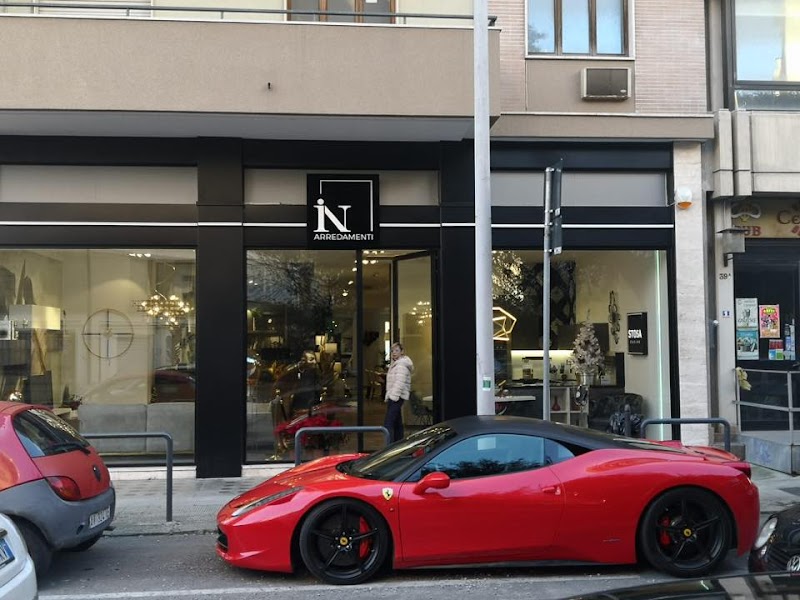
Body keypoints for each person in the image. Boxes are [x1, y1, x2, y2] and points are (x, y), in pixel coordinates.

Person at [383, 342, 414, 443]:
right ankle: (399, 443)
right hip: (395, 396)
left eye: (397, 350)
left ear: (402, 352)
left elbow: (399, 382)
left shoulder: (401, 365)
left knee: (388, 423)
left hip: (397, 396)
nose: (394, 353)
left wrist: (393, 396)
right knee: (397, 422)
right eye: (392, 351)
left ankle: (389, 446)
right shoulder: (396, 364)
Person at [291, 350, 321, 417]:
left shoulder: (315, 374)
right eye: (311, 359)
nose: (314, 362)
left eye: (315, 359)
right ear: (304, 361)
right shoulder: (298, 375)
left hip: (313, 410)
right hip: (302, 410)